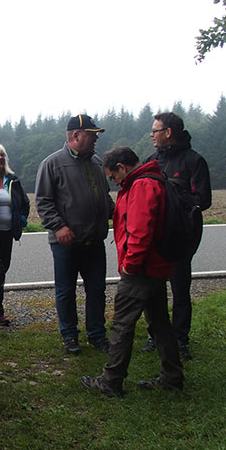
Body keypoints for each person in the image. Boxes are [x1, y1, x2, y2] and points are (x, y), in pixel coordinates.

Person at [81, 146, 183, 396]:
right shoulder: (153, 180)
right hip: (156, 267)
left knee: (121, 325)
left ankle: (111, 380)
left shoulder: (141, 186)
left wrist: (130, 266)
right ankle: (172, 376)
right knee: (159, 323)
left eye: (112, 176)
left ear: (122, 168)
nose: (113, 182)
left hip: (142, 270)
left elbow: (140, 231)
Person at [35, 114, 114, 355]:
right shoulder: (52, 164)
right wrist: (59, 227)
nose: (96, 138)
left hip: (94, 241)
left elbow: (105, 198)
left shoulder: (97, 163)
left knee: (97, 289)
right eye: (92, 134)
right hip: (66, 243)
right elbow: (43, 202)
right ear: (76, 136)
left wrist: (121, 214)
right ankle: (69, 336)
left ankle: (97, 335)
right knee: (66, 291)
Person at [141, 112, 212, 360]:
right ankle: (156, 336)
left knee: (180, 290)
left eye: (155, 130)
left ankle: (181, 340)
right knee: (154, 289)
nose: (151, 135)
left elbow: (203, 200)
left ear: (168, 132)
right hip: (155, 238)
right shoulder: (150, 161)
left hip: (182, 238)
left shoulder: (194, 161)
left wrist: (171, 199)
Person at [0, 143, 31, 326]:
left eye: (2, 155)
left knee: (0, 272)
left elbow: (24, 203)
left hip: (7, 234)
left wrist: (22, 220)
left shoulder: (12, 180)